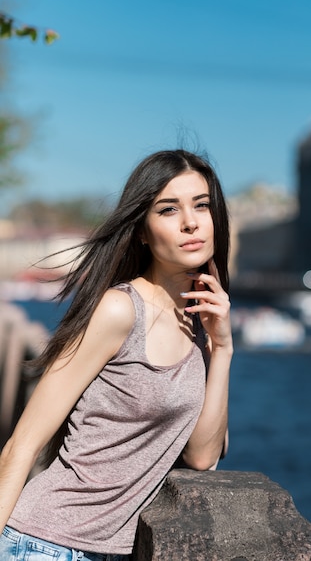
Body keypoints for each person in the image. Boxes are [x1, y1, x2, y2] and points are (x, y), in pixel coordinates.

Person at [0, 149, 233, 561]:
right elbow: (20, 447)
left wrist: (224, 349)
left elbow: (202, 456)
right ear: (142, 232)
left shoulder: (202, 327)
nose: (191, 222)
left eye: (201, 205)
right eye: (168, 209)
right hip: (43, 545)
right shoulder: (120, 310)